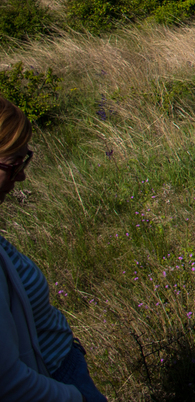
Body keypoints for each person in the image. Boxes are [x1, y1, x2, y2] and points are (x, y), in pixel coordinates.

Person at [0, 95, 108, 402]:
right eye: (13, 164)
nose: (21, 175)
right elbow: (7, 381)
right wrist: (72, 397)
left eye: (24, 160)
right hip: (52, 383)